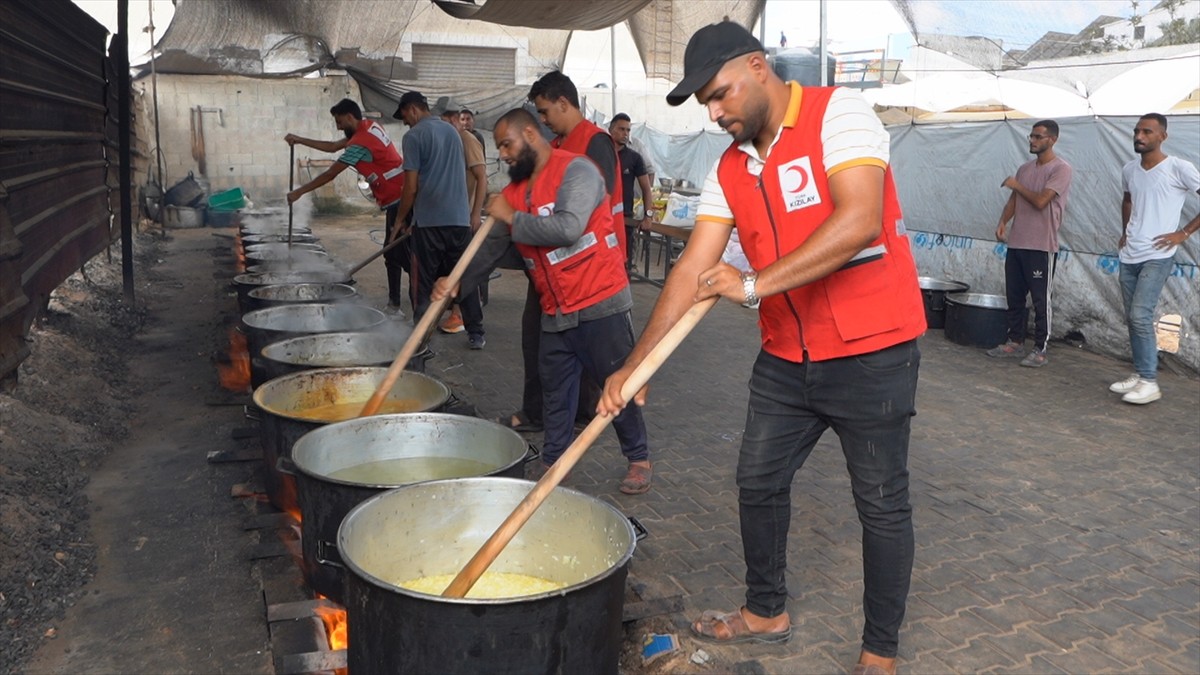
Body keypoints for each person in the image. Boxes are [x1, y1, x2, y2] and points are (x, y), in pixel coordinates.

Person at [598, 22, 925, 675]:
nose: (716, 114)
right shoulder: (731, 164)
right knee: (758, 480)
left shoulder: (841, 115)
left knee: (881, 502)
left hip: (872, 352)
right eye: (706, 106)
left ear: (757, 66)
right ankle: (765, 610)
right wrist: (636, 364)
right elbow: (693, 267)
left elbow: (858, 219)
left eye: (720, 96)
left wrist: (750, 284)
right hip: (786, 355)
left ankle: (879, 651)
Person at [434, 108, 654, 495]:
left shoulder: (578, 171)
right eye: (500, 146)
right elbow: (489, 250)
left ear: (531, 136)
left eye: (507, 144)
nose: (502, 154)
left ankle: (638, 457)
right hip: (555, 307)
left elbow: (569, 228)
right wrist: (455, 284)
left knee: (616, 385)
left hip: (600, 300)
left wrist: (513, 218)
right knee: (556, 391)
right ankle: (555, 462)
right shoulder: (516, 194)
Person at [283, 99, 407, 315]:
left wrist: (300, 191)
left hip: (398, 198)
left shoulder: (360, 142)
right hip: (399, 194)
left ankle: (401, 305)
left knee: (398, 254)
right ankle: (404, 301)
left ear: (350, 117)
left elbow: (331, 173)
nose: (338, 127)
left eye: (340, 122)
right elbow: (332, 147)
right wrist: (299, 140)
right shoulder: (369, 126)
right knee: (398, 252)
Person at [1109, 113, 1200, 405]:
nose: (1139, 136)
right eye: (1136, 131)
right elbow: (1127, 199)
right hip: (1130, 254)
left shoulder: (1178, 168)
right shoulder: (1129, 169)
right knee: (1133, 319)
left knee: (1140, 315)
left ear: (1163, 136)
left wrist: (1183, 232)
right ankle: (1140, 373)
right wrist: (1125, 233)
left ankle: (1150, 382)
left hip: (1158, 255)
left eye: (1147, 131)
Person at [391, 90, 486, 349]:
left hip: (431, 223)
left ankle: (422, 336)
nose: (406, 123)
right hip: (458, 220)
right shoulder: (453, 133)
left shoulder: (414, 136)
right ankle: (476, 333)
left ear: (412, 109)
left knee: (422, 282)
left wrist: (400, 220)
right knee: (461, 277)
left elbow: (410, 187)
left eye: (404, 117)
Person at [987, 120, 1073, 368]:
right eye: (1031, 136)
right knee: (1014, 295)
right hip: (1018, 243)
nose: (1032, 141)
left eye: (1038, 137)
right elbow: (1015, 200)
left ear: (1052, 140)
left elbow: (1040, 201)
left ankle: (1040, 348)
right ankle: (1014, 341)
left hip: (1041, 246)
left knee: (1040, 299)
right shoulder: (1025, 168)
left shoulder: (1061, 169)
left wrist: (1016, 184)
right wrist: (1003, 221)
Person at [432, 97, 488, 335]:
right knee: (445, 271)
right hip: (442, 217)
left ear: (455, 119)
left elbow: (481, 177)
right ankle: (451, 312)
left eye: (444, 120)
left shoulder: (467, 140)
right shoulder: (444, 140)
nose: (440, 124)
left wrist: (475, 213)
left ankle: (473, 328)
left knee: (464, 273)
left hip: (462, 217)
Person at [609, 113, 656, 271]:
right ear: (611, 130)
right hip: (601, 218)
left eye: (628, 130)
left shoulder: (634, 158)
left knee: (623, 266)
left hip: (625, 220)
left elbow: (646, 189)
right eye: (621, 129)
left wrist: (648, 216)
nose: (625, 133)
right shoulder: (601, 154)